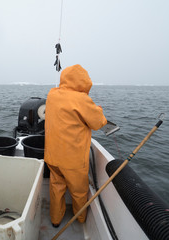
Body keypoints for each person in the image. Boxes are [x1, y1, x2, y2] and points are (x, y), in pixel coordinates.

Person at [44, 64, 107, 227]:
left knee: (56, 188)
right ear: (84, 81)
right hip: (73, 160)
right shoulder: (82, 99)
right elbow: (98, 123)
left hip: (52, 156)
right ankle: (80, 218)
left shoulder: (52, 94)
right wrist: (98, 109)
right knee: (79, 192)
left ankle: (55, 220)